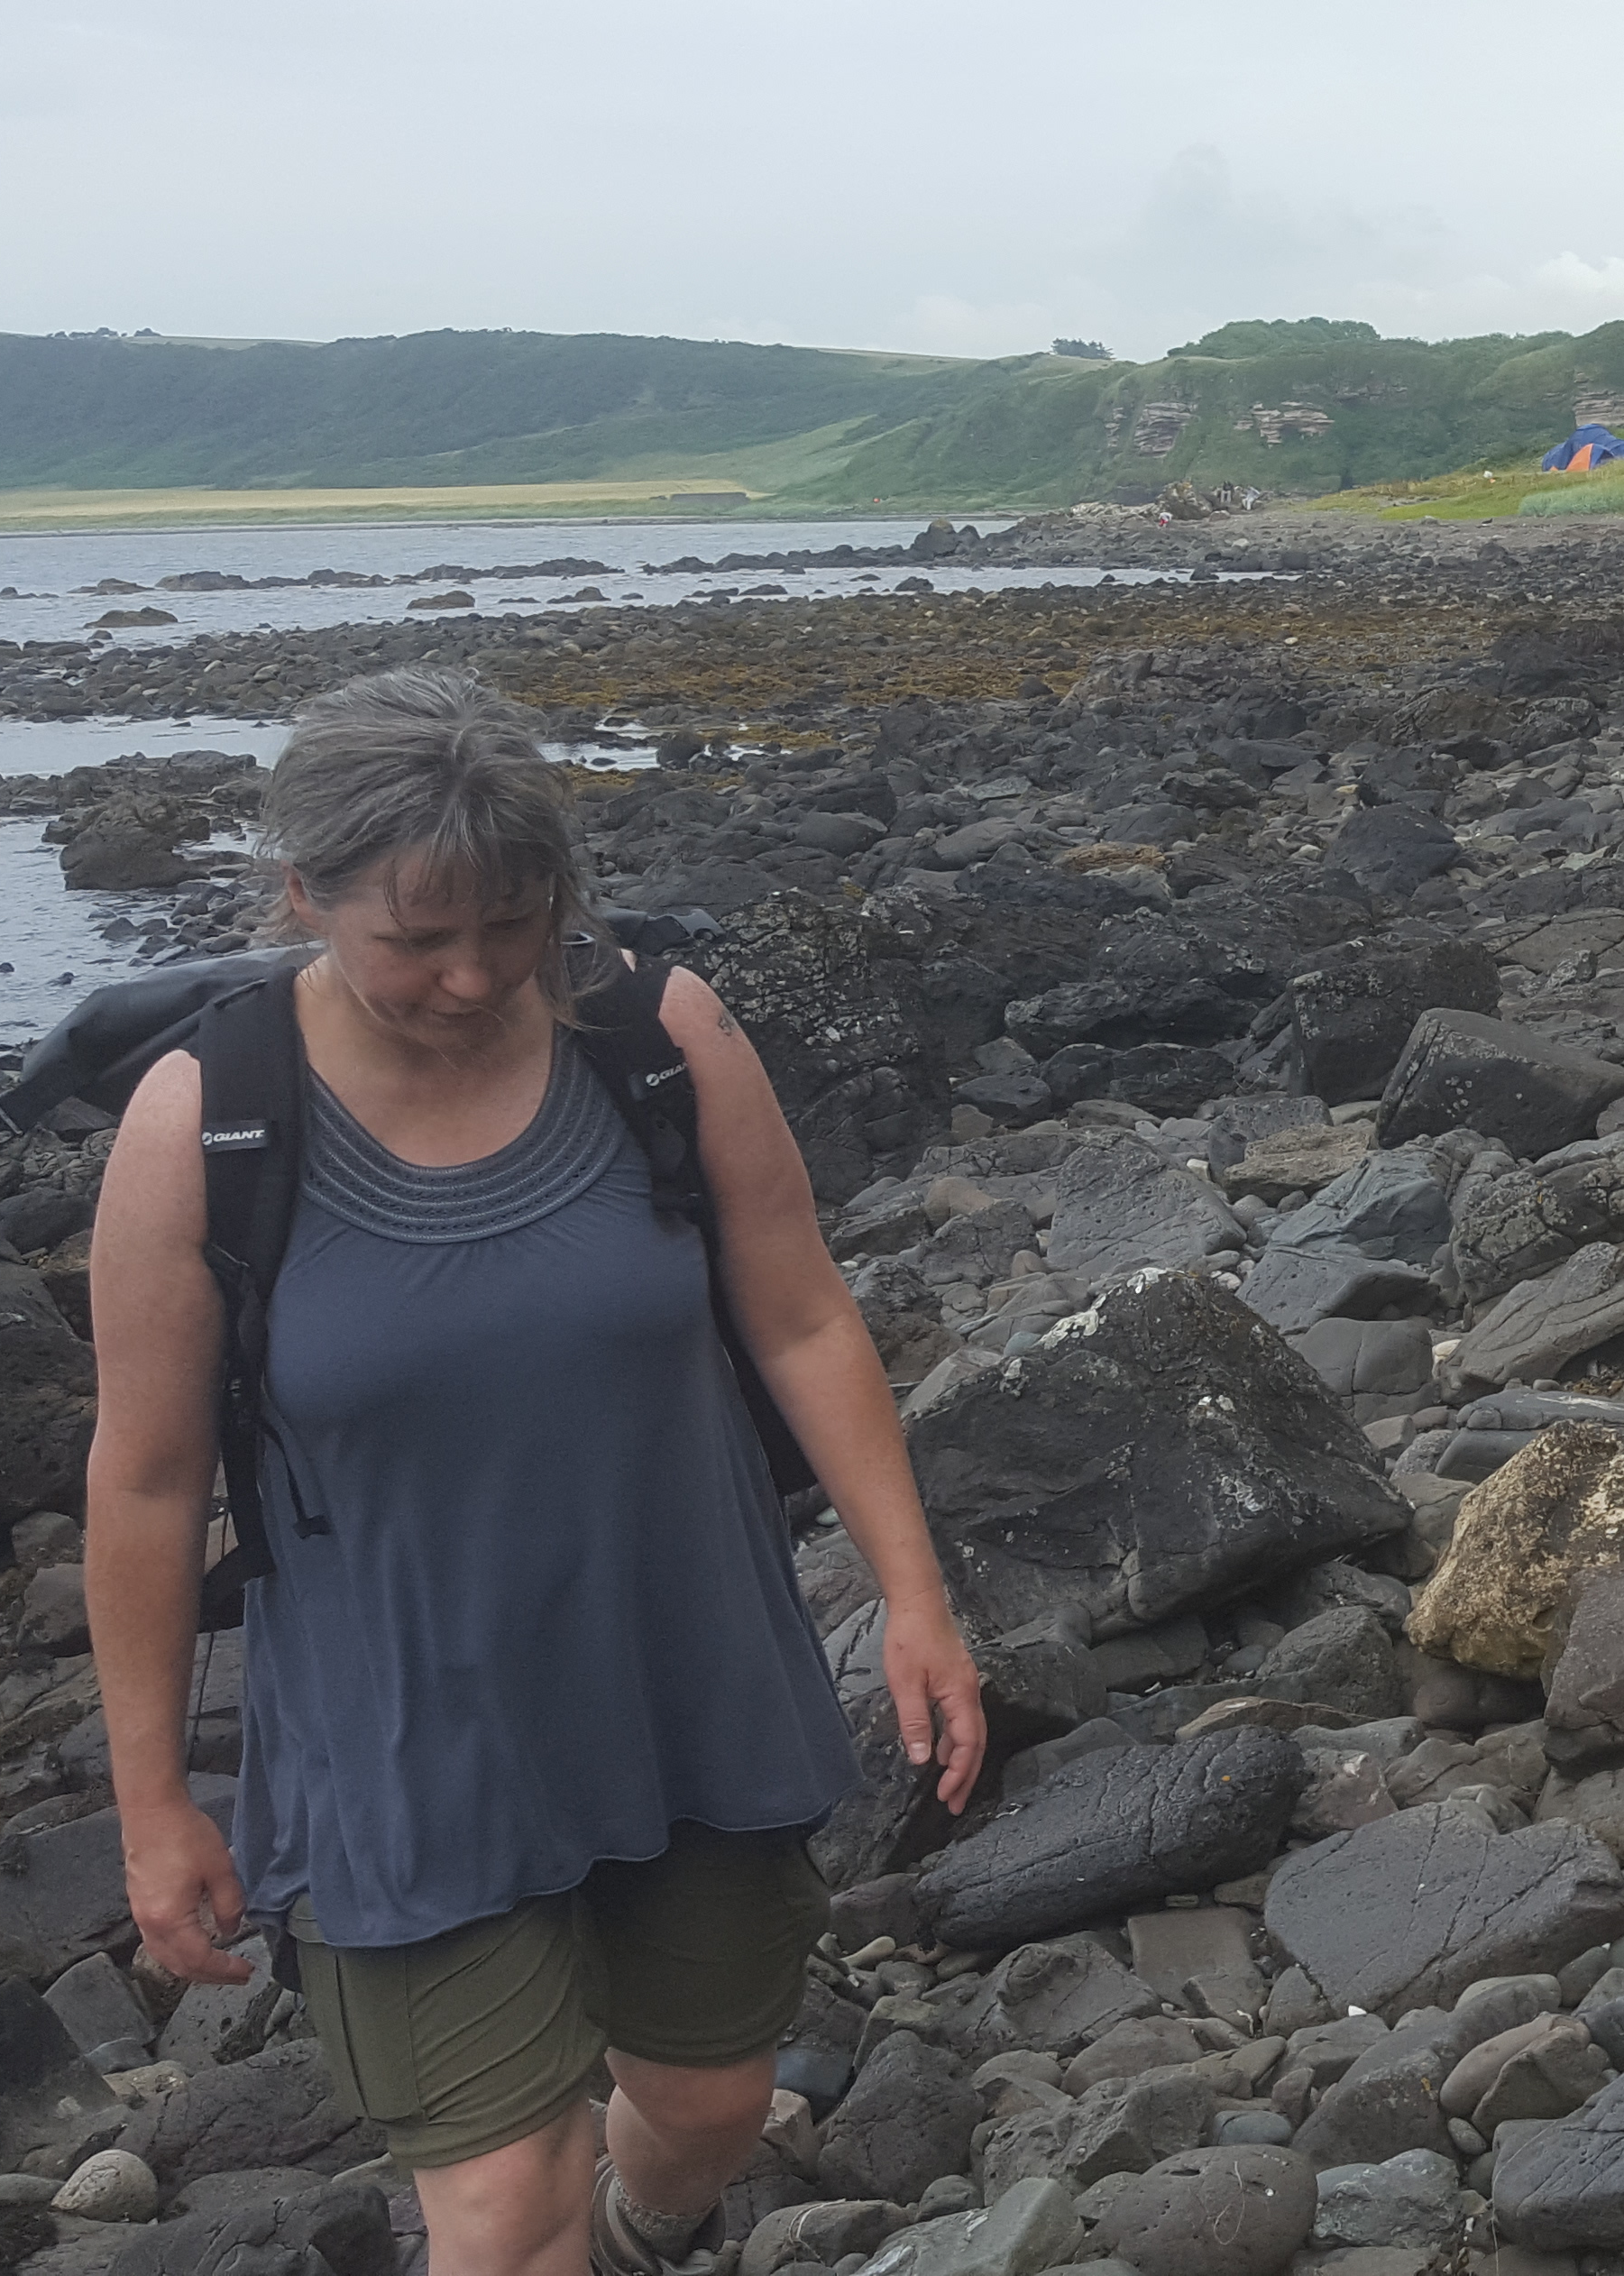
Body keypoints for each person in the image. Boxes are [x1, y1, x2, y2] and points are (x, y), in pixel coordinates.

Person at [86, 667, 985, 2276]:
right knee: (501, 2213)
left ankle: (648, 2235)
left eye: (513, 923)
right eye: (413, 940)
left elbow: (798, 1314)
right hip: (407, 1734)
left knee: (712, 2103)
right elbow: (146, 1482)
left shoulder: (655, 1031)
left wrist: (913, 1594)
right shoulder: (205, 1123)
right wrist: (154, 1801)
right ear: (301, 895)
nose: (472, 974)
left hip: (682, 1676)